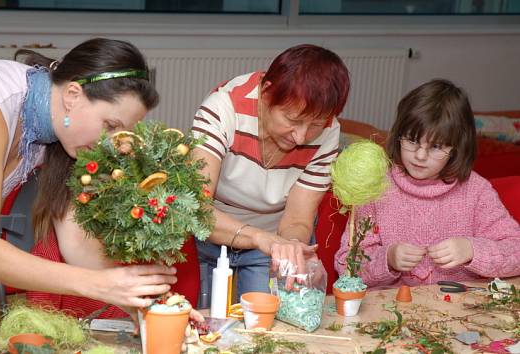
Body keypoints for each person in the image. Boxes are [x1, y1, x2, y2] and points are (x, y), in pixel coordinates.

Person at [0, 38, 178, 336]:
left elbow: (75, 242)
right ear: (73, 94)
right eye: (110, 125)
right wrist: (98, 285)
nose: (113, 144)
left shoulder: (64, 136)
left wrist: (141, 300)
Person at [191, 44, 351, 299]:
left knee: (265, 325)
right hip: (211, 237)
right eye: (292, 119)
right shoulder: (224, 107)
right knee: (209, 325)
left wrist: (292, 249)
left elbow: (297, 220)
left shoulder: (329, 131)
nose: (301, 137)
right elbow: (196, 209)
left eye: (315, 125)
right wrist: (259, 238)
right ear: (266, 94)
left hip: (271, 244)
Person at [334, 79, 520, 288]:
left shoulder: (476, 191)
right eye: (412, 141)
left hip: (462, 311)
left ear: (457, 148)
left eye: (436, 147)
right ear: (397, 136)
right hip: (391, 310)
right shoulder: (375, 186)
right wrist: (388, 258)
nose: (420, 156)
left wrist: (471, 250)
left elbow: (516, 251)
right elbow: (345, 267)